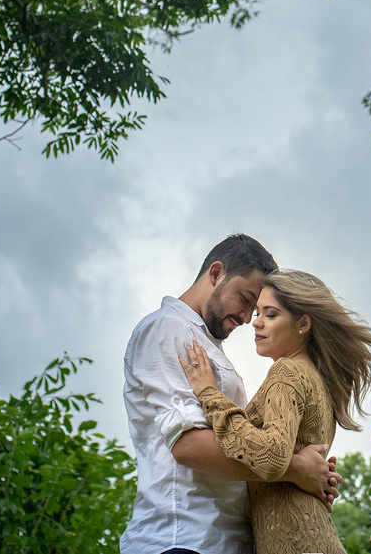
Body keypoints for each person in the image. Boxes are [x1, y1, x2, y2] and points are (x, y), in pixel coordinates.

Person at [121, 235, 341, 554]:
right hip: (183, 538)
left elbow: (241, 441)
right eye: (246, 297)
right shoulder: (168, 329)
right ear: (216, 273)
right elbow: (189, 446)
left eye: (258, 308)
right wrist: (295, 469)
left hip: (224, 540)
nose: (248, 317)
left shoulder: (208, 346)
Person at [180, 268, 371, 554]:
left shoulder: (287, 373)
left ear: (303, 324)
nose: (256, 323)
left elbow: (272, 456)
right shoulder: (315, 379)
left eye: (270, 314)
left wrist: (209, 393)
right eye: (257, 314)